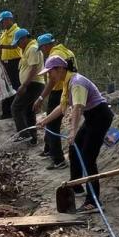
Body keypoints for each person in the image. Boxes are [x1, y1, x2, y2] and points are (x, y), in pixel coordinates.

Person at [35, 55, 114, 213]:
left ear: (60, 69)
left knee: (88, 159)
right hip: (92, 117)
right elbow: (62, 107)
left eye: (51, 72)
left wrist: (72, 130)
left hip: (100, 117)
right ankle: (76, 185)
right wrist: (44, 121)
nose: (49, 76)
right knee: (74, 148)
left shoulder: (77, 82)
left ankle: (93, 201)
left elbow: (77, 107)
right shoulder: (67, 82)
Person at [32, 34, 75, 169]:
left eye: (42, 48)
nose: (43, 51)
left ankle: (58, 160)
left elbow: (52, 81)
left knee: (51, 125)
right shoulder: (67, 51)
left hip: (59, 92)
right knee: (50, 122)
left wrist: (40, 98)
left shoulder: (53, 56)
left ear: (47, 46)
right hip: (65, 88)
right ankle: (48, 148)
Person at [11, 28, 44, 144]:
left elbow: (34, 69)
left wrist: (24, 85)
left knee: (15, 107)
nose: (18, 45)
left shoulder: (33, 49)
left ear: (24, 39)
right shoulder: (27, 49)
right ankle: (32, 138)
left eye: (18, 42)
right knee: (29, 111)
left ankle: (24, 134)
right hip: (32, 84)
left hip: (32, 84)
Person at [0, 11, 22, 120]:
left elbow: (14, 46)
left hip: (15, 62)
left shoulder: (17, 31)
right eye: (2, 22)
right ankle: (6, 113)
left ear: (9, 20)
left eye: (4, 21)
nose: (2, 24)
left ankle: (15, 112)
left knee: (15, 87)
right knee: (5, 88)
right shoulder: (4, 33)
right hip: (5, 63)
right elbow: (1, 49)